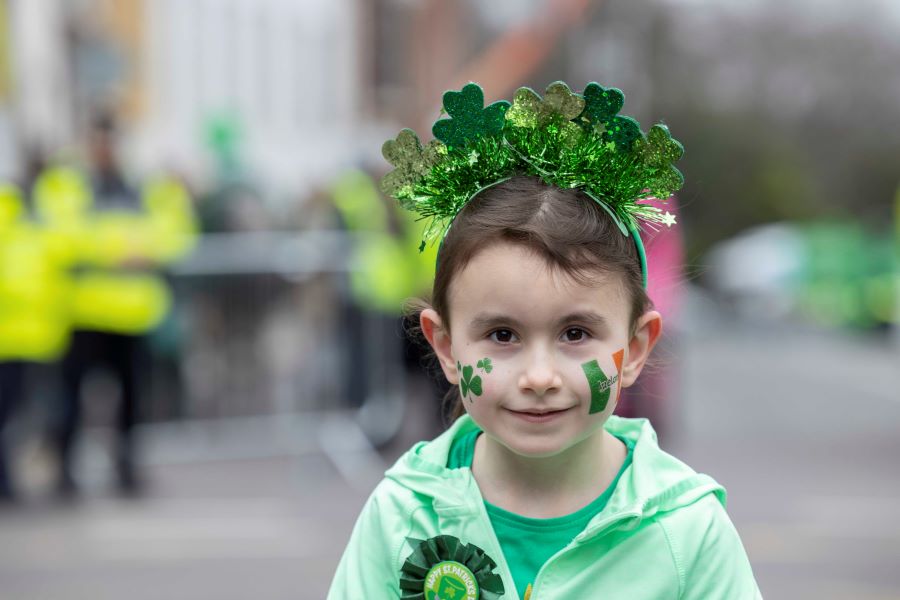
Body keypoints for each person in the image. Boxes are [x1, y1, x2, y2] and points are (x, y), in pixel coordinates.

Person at [328, 82, 761, 599]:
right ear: (446, 348)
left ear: (636, 348)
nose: (538, 377)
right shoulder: (400, 517)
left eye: (575, 333)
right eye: (502, 334)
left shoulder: (688, 533)